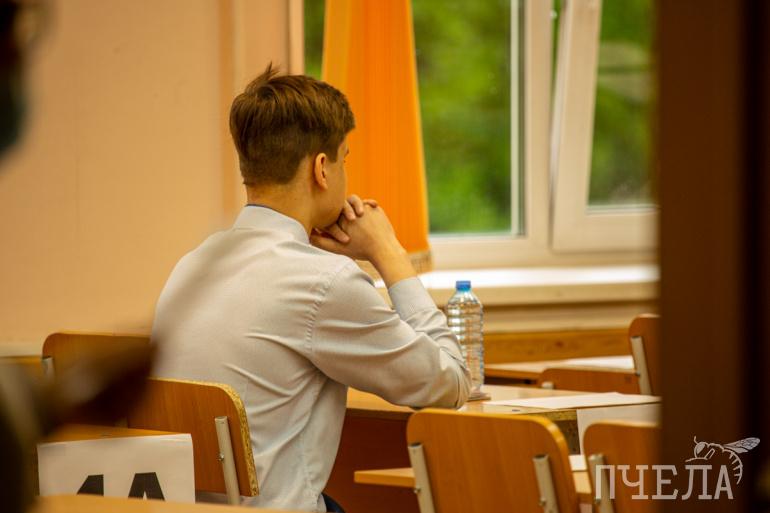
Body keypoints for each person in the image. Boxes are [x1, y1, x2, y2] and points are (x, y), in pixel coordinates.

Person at [151, 64, 471, 512]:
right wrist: (388, 253)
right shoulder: (324, 282)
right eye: (345, 159)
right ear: (322, 169)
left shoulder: (192, 266)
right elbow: (450, 383)